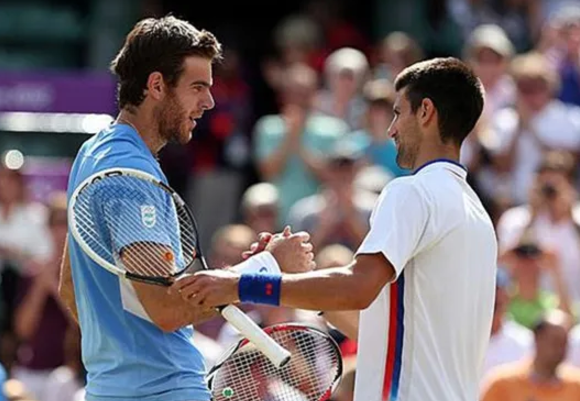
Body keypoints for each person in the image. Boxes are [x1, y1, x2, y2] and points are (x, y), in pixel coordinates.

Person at [171, 57, 498, 401]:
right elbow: (378, 335)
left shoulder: (410, 191)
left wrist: (240, 284)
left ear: (426, 111)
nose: (391, 129)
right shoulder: (477, 216)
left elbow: (357, 287)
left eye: (398, 113)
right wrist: (304, 276)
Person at [58, 16, 313, 401]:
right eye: (197, 87)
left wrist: (128, 359)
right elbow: (166, 309)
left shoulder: (93, 153)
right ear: (156, 85)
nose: (209, 102)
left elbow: (69, 288)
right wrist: (268, 268)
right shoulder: (133, 178)